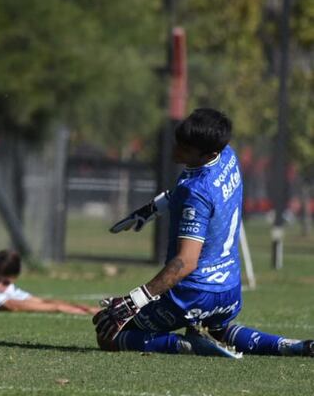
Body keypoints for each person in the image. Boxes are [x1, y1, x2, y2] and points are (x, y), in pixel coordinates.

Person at [94, 108, 314, 358]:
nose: (176, 150)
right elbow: (202, 198)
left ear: (208, 154)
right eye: (178, 142)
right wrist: (154, 208)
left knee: (109, 334)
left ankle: (186, 345)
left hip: (192, 295)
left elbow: (186, 262)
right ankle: (291, 345)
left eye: (185, 149)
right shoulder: (227, 156)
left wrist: (134, 300)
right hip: (229, 290)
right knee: (219, 331)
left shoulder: (196, 191)